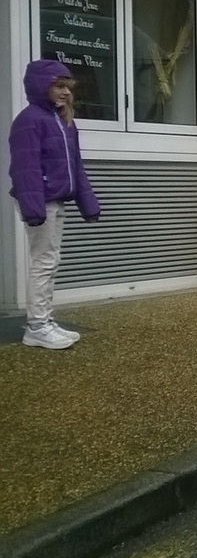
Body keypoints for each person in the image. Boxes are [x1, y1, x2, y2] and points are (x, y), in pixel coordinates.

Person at [8, 59, 101, 350]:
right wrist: (33, 207)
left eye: (67, 87)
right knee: (44, 262)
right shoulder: (30, 120)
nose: (65, 92)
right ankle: (37, 326)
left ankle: (44, 321)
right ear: (41, 86)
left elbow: (76, 164)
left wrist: (88, 203)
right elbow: (26, 168)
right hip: (41, 201)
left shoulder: (62, 121)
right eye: (58, 86)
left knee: (51, 261)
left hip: (56, 200)